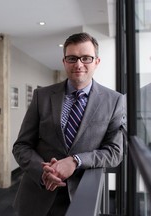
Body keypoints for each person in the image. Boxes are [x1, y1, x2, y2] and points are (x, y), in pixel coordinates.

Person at [12, 32, 126, 216]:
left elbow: (114, 153)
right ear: (64, 61)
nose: (78, 64)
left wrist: (76, 160)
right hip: (36, 195)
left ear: (96, 62)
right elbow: (21, 146)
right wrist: (44, 172)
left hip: (82, 195)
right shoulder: (42, 96)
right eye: (72, 58)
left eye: (86, 58)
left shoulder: (114, 101)